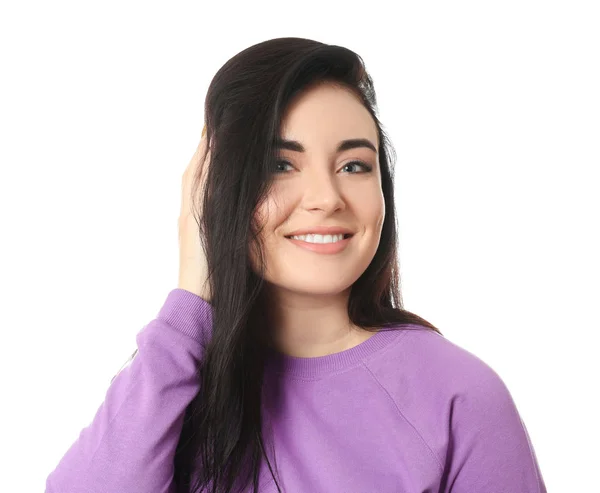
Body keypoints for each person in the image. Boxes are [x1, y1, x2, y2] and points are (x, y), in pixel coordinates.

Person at [45, 37, 547, 493]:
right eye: (280, 165)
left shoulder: (459, 396)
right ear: (217, 193)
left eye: (354, 166)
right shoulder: (169, 385)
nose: (327, 198)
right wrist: (189, 302)